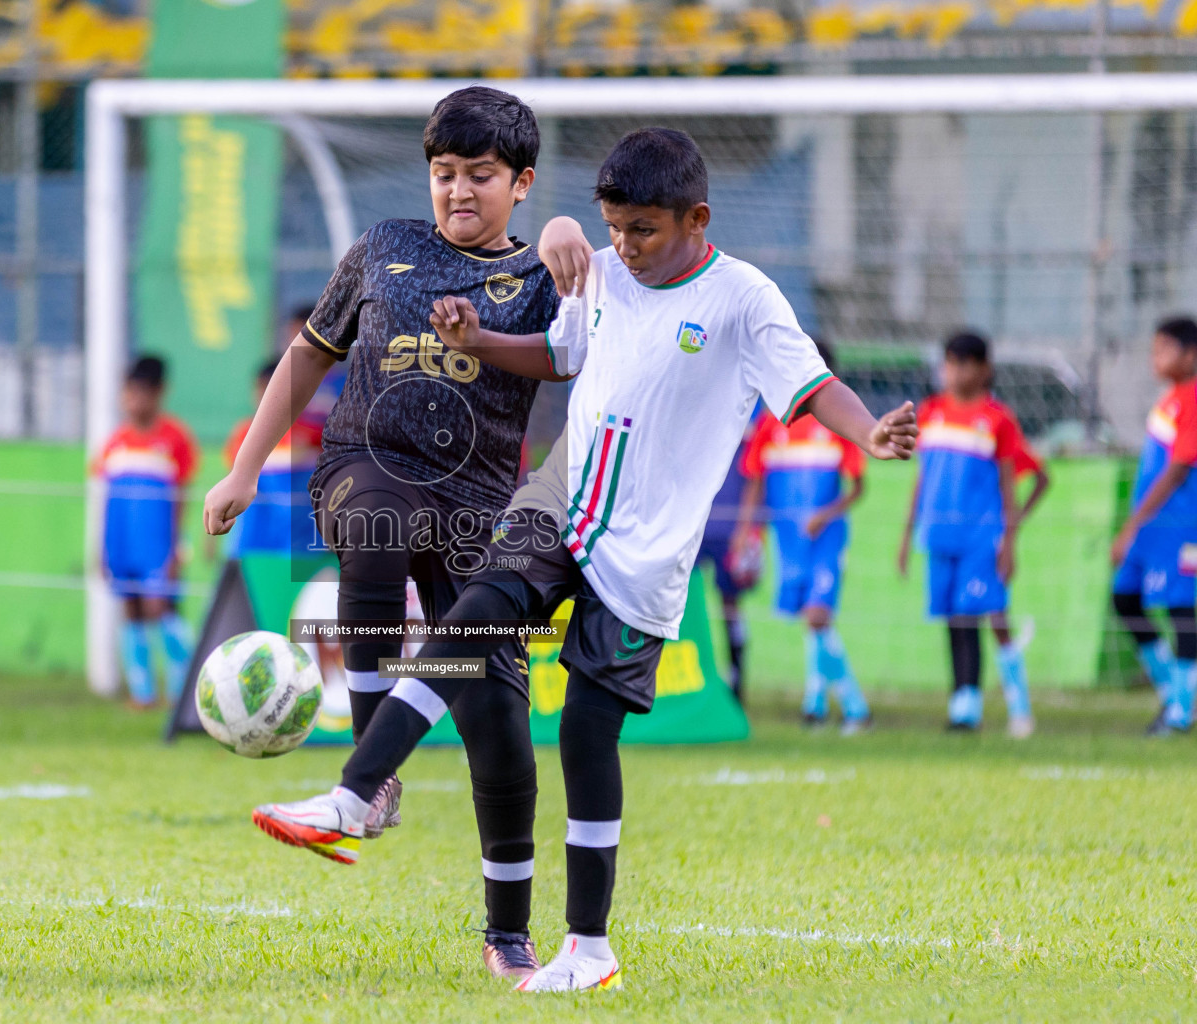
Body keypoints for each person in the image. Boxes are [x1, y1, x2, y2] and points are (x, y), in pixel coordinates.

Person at [248, 127, 919, 992]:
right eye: (614, 227)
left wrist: (867, 431)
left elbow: (813, 387)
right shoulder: (597, 269)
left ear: (695, 218)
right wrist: (480, 339)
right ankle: (354, 795)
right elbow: (562, 356)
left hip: (648, 551)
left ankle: (589, 948)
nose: (625, 246)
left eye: (643, 230)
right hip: (560, 500)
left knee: (586, 737)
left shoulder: (745, 300)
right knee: (469, 623)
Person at [205, 86, 588, 979]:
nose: (457, 190)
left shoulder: (536, 279)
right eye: (443, 173)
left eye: (480, 176)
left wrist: (572, 233)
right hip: (361, 472)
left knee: (496, 717)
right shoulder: (383, 250)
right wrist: (246, 467)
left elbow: (587, 337)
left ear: (520, 182)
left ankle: (507, 938)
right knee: (379, 520)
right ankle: (367, 780)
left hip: (477, 517)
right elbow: (309, 355)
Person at [897, 332, 1049, 737]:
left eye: (964, 363)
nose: (955, 371)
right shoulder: (929, 413)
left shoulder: (997, 419)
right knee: (955, 619)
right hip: (939, 538)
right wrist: (906, 536)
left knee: (985, 618)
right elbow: (922, 479)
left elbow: (1017, 483)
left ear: (984, 369)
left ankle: (993, 707)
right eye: (949, 362)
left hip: (981, 540)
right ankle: (964, 701)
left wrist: (1010, 536)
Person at [734, 340, 871, 733]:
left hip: (827, 541)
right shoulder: (770, 423)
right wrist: (746, 530)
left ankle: (851, 707)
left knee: (817, 615)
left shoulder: (838, 424)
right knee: (809, 621)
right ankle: (821, 706)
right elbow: (755, 481)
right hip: (787, 543)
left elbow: (859, 488)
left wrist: (825, 515)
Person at [1109, 316, 1197, 736]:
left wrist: (1132, 524)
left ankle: (1181, 711)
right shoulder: (1169, 400)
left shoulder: (1193, 398)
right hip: (1151, 527)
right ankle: (1175, 693)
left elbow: (1179, 468)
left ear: (1190, 354)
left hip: (1180, 527)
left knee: (1182, 609)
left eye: (1164, 349)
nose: (1155, 358)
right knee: (1124, 598)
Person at [96, 355, 199, 711]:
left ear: (159, 393)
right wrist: (101, 549)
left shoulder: (175, 439)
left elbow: (181, 498)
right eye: (128, 393)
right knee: (131, 609)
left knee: (161, 608)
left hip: (158, 544)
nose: (132, 401)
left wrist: (176, 547)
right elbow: (105, 500)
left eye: (140, 393)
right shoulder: (115, 442)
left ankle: (184, 686)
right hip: (121, 542)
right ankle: (142, 692)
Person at [221, 358, 322, 558]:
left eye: (270, 389)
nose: (264, 396)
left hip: (299, 536)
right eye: (260, 388)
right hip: (254, 536)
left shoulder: (313, 433)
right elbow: (229, 484)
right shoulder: (244, 433)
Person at [697, 415, 760, 704]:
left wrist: (745, 528)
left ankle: (737, 683)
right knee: (684, 604)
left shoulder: (748, 408)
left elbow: (754, 475)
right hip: (693, 528)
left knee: (731, 606)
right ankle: (690, 681)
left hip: (730, 529)